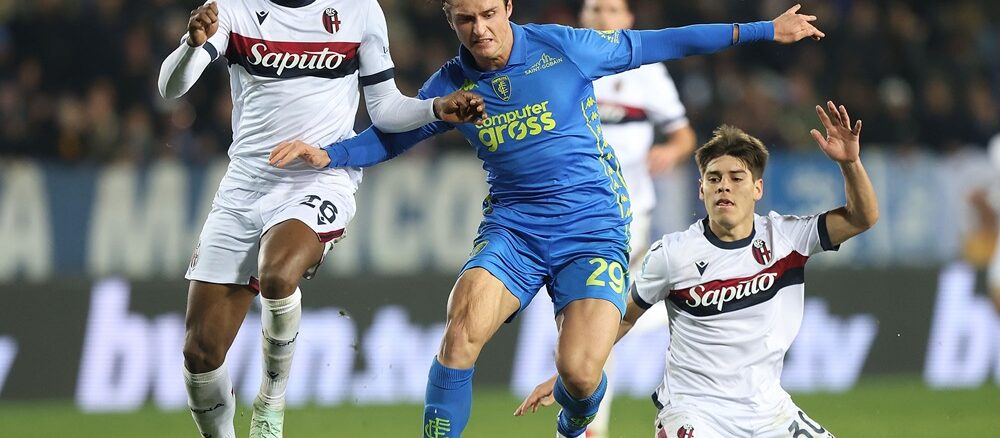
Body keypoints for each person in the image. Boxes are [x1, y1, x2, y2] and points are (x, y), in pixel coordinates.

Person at [269, 1, 824, 436]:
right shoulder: (449, 86)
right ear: (450, 20)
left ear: (508, 7)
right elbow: (393, 137)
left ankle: (574, 417)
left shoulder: (564, 48)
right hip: (514, 228)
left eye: (489, 14)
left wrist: (762, 30)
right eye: (465, 19)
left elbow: (664, 42)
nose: (480, 29)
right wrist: (330, 155)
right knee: (460, 334)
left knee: (580, 374)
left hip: (592, 228)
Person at [157, 1, 484, 437]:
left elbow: (385, 109)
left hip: (319, 176)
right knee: (200, 353)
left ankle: (270, 405)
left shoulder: (359, 10)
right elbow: (171, 88)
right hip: (245, 186)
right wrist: (191, 45)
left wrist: (434, 108)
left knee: (277, 274)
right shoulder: (235, 7)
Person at [516, 101, 878, 438]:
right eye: (714, 178)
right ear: (701, 189)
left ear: (757, 188)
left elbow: (862, 217)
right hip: (693, 413)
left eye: (736, 177)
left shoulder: (787, 238)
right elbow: (622, 318)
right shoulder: (672, 254)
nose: (724, 186)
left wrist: (850, 164)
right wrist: (567, 379)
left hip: (770, 412)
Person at [578, 0, 697, 435]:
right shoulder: (565, 64)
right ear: (582, 17)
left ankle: (590, 425)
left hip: (623, 211)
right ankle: (678, 303)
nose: (602, 17)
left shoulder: (646, 70)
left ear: (628, 20)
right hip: (570, 209)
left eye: (611, 9)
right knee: (595, 316)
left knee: (596, 314)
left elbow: (684, 136)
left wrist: (670, 150)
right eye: (594, 9)